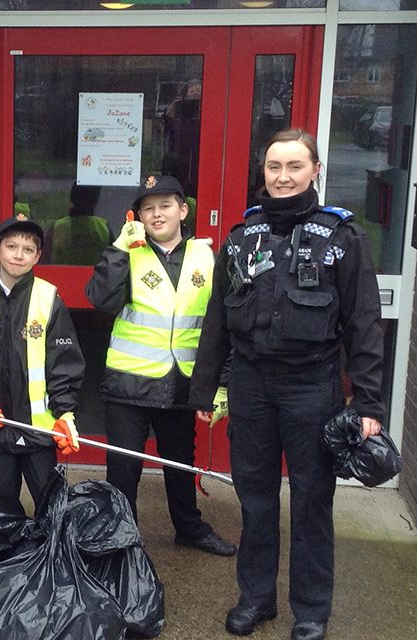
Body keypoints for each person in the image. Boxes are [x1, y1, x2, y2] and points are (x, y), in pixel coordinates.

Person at [189, 129, 384, 640]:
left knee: (312, 501)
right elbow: (217, 322)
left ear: (315, 170)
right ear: (264, 173)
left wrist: (367, 402)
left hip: (311, 386)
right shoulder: (241, 237)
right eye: (274, 167)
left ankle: (312, 609)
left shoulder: (342, 237)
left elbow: (364, 324)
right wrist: (204, 390)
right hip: (252, 386)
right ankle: (256, 599)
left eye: (294, 166)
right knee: (254, 501)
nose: (282, 176)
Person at [85, 174, 236, 558]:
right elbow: (101, 300)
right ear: (138, 216)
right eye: (148, 208)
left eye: (165, 205)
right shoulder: (127, 252)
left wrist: (220, 385)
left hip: (181, 383)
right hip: (129, 384)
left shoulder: (207, 256)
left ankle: (188, 528)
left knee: (179, 464)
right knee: (123, 469)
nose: (157, 214)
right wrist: (117, 249)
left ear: (183, 211)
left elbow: (222, 325)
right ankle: (121, 536)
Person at [0, 211, 85, 516]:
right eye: (11, 247)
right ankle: (13, 560)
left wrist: (66, 413)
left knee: (51, 505)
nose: (18, 255)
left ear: (38, 256)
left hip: (39, 429)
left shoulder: (48, 299)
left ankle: (50, 560)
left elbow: (64, 362)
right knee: (3, 504)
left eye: (28, 249)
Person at [49, 183, 110, 266]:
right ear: (95, 200)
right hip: (96, 278)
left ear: (72, 197)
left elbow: (44, 260)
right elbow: (113, 262)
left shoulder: (57, 227)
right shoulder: (104, 228)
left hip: (61, 277)